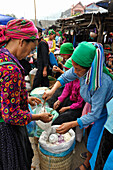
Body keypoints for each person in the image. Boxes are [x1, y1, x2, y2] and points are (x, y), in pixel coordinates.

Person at [42, 41, 113, 170]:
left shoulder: (102, 83)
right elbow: (65, 77)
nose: (75, 71)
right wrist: (52, 91)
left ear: (89, 67)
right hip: (91, 105)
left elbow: (95, 114)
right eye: (73, 67)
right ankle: (91, 154)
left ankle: (88, 163)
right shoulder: (80, 69)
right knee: (89, 135)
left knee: (95, 137)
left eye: (78, 69)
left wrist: (72, 124)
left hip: (104, 111)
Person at [0, 19, 53, 170]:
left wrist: (24, 97)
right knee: (17, 163)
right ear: (22, 41)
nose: (29, 53)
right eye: (31, 49)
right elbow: (11, 115)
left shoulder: (2, 56)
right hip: (7, 130)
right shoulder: (11, 69)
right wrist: (38, 117)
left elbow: (3, 92)